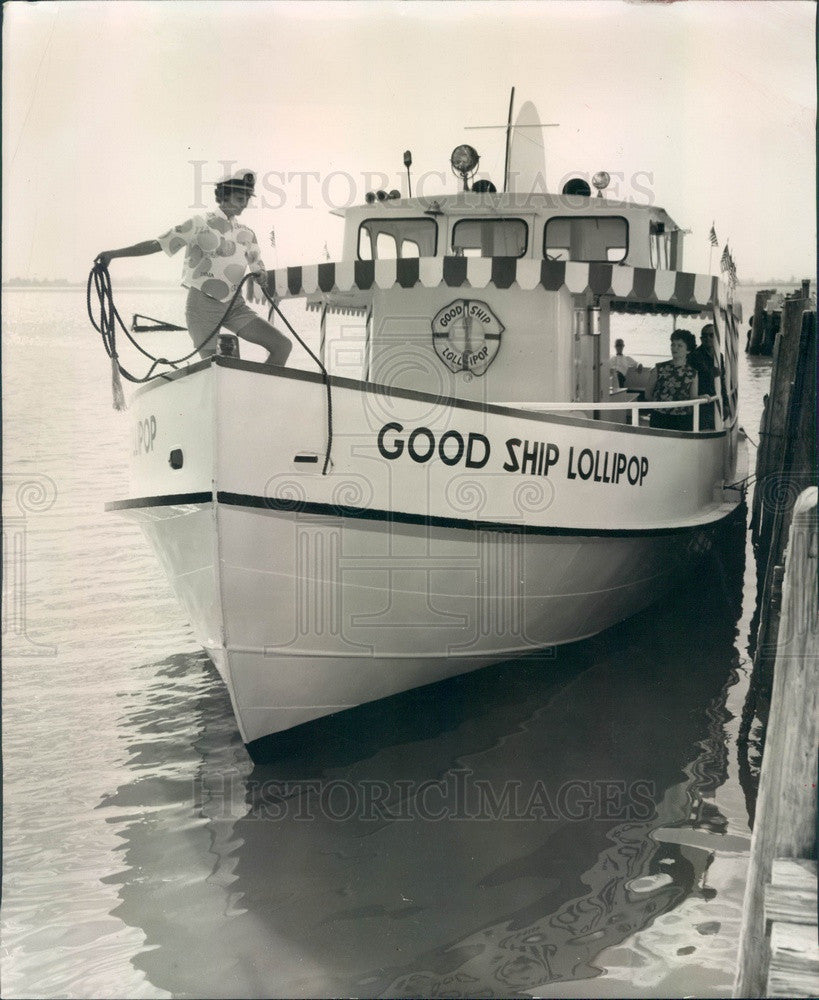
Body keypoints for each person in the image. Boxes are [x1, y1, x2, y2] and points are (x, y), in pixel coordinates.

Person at [95, 169, 291, 365]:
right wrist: (113, 254)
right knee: (217, 366)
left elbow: (258, 267)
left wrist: (261, 275)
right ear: (224, 196)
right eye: (240, 198)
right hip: (202, 306)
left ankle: (257, 394)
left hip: (235, 306)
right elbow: (158, 244)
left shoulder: (247, 233)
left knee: (282, 346)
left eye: (247, 198)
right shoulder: (198, 224)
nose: (244, 204)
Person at [647, 329, 699, 431]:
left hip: (682, 420)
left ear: (688, 350)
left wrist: (703, 397)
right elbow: (648, 394)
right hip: (659, 418)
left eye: (680, 345)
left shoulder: (693, 373)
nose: (675, 348)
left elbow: (693, 398)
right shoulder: (658, 368)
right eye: (673, 344)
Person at [689, 324, 721, 429]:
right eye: (704, 336)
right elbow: (704, 372)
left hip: (713, 398)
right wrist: (714, 372)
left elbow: (722, 380)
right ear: (701, 339)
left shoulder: (719, 357)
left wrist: (725, 403)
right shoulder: (695, 355)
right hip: (701, 398)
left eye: (711, 335)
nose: (708, 338)